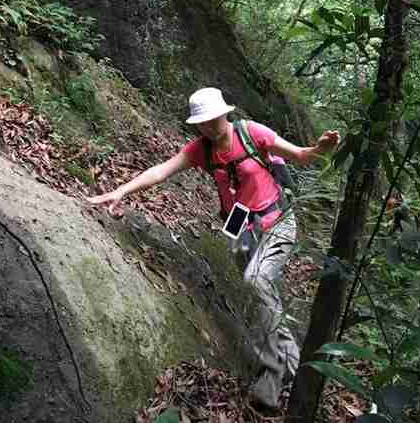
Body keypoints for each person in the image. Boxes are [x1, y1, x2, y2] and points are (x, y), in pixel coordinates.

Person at [87, 87, 340, 413]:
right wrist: (120, 191)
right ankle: (292, 358)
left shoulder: (252, 133)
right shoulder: (200, 150)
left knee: (256, 281)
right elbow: (160, 172)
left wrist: (321, 148)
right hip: (238, 226)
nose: (208, 126)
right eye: (201, 122)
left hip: (277, 221)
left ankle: (274, 371)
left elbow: (302, 156)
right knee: (260, 291)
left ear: (225, 113)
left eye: (213, 118)